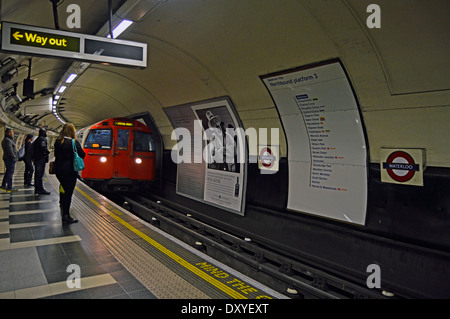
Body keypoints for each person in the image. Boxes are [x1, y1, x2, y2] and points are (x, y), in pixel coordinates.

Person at [54, 123, 85, 224]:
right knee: (68, 192)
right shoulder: (73, 142)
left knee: (62, 188)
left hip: (58, 170)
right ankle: (66, 216)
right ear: (72, 131)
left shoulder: (57, 142)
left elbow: (56, 155)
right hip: (70, 171)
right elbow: (82, 154)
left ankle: (62, 204)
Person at [33, 128, 51, 195]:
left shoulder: (37, 139)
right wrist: (47, 152)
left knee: (37, 175)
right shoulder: (42, 139)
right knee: (39, 175)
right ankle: (40, 189)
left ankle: (37, 189)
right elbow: (43, 148)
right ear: (43, 133)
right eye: (45, 132)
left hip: (36, 159)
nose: (46, 133)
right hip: (40, 160)